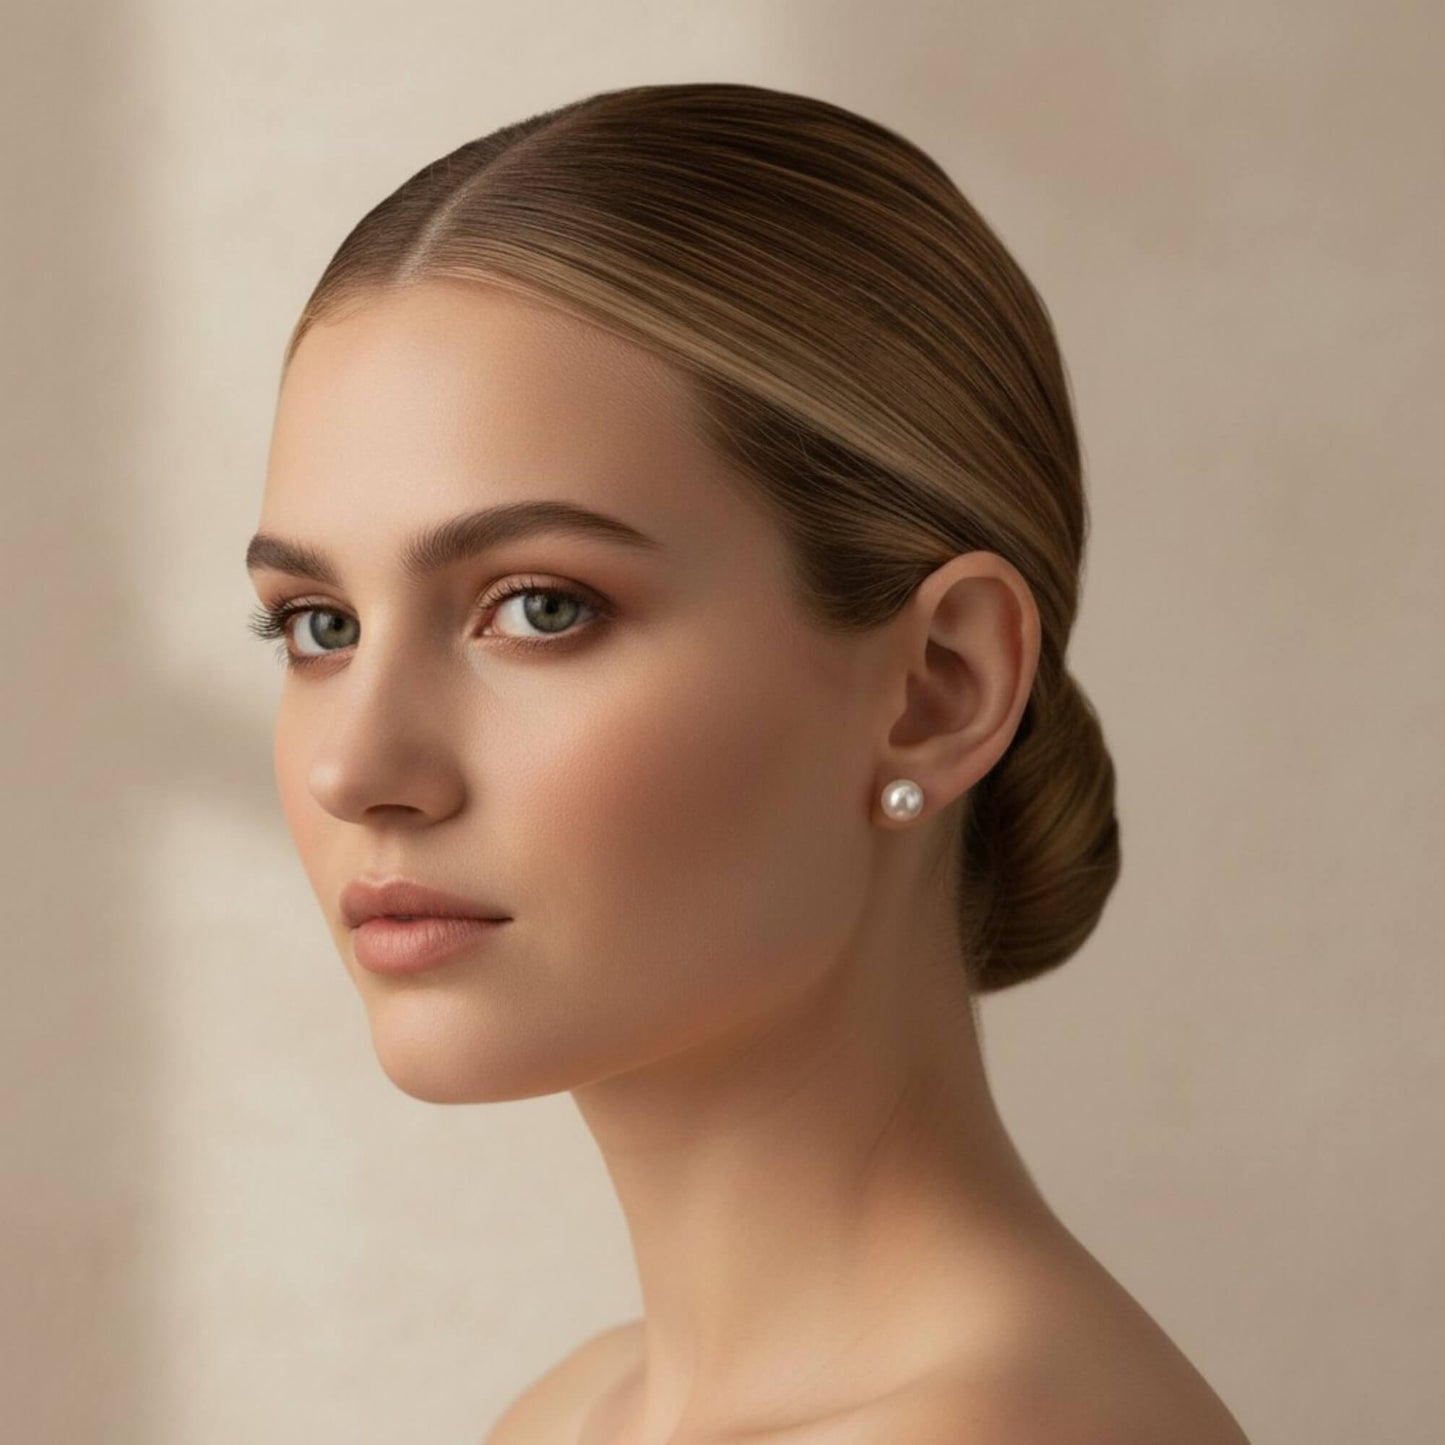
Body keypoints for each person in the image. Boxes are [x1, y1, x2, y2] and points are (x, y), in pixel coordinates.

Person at [245, 82, 1251, 1445]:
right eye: (319, 626)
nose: (358, 765)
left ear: (939, 687)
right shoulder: (572, 1413)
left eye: (542, 606)